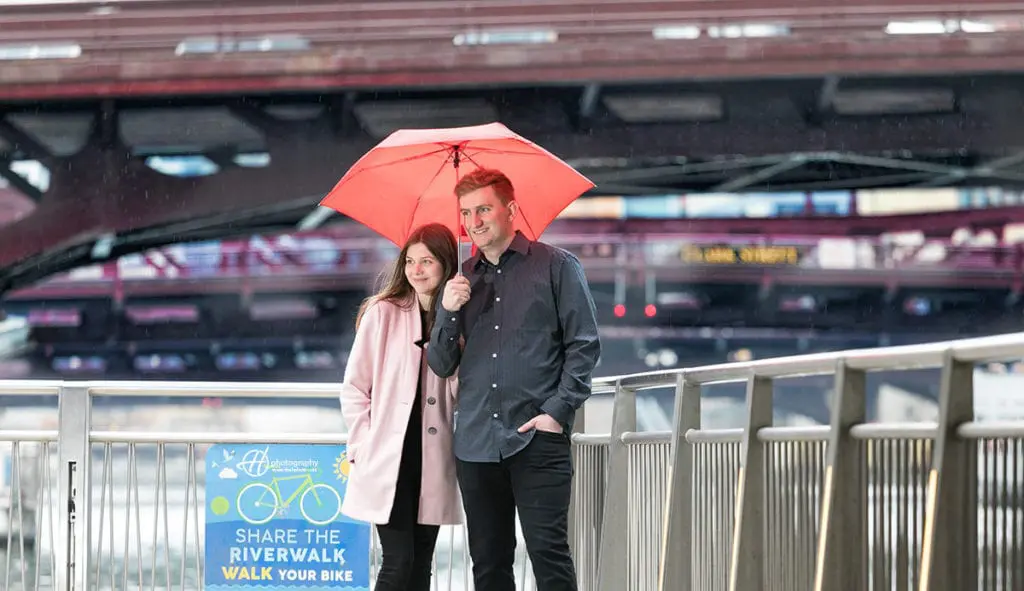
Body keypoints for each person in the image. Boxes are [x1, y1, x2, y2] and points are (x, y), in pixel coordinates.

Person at [427, 168, 601, 591]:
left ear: (511, 210)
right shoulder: (461, 281)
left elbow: (584, 346)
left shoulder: (557, 266)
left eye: (483, 209)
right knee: (488, 564)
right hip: (475, 444)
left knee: (549, 556)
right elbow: (440, 363)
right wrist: (448, 311)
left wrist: (556, 415)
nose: (474, 221)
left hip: (536, 438)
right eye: (467, 212)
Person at [339, 223, 462, 591]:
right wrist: (362, 445)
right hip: (387, 456)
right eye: (410, 260)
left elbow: (461, 389)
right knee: (398, 561)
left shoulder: (457, 316)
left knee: (422, 563)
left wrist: (453, 318)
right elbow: (355, 388)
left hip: (432, 455)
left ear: (446, 265)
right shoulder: (382, 312)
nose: (416, 269)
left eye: (427, 261)